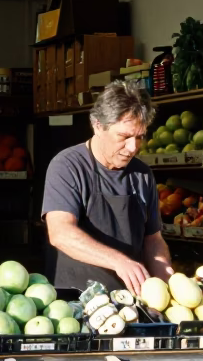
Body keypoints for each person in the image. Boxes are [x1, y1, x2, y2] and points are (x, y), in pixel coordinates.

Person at [42, 80, 174, 294]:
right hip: (75, 299)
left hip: (129, 302)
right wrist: (119, 262)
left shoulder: (142, 174)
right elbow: (61, 232)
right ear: (98, 126)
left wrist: (169, 288)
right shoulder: (67, 166)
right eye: (124, 136)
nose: (133, 147)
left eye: (139, 137)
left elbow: (153, 241)